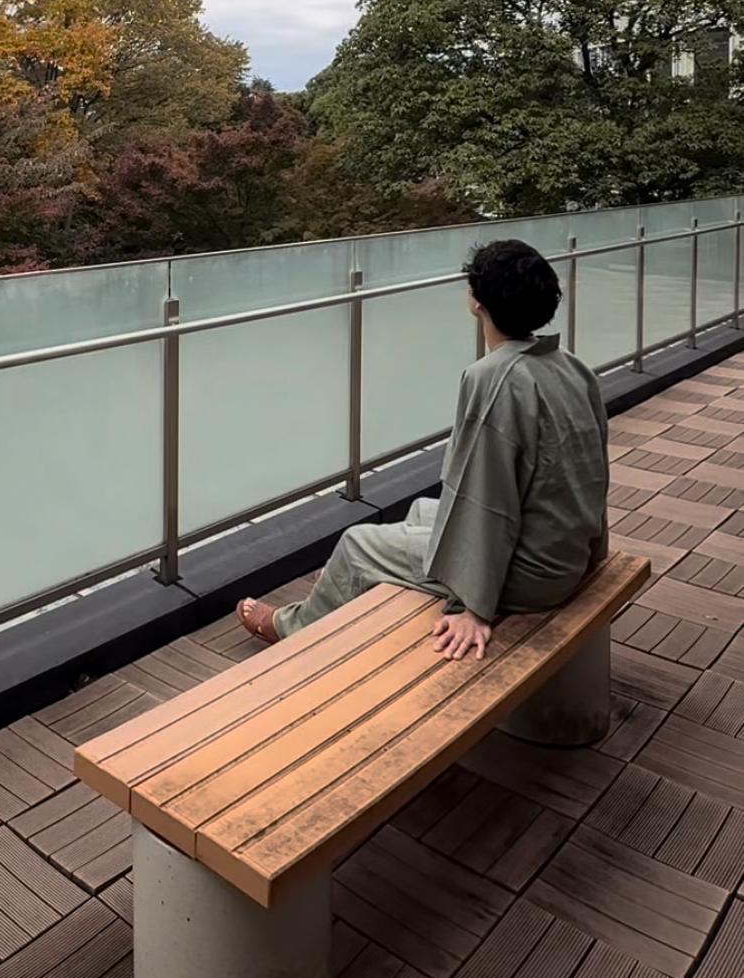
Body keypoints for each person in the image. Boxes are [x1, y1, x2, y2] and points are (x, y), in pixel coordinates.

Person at [237, 238, 610, 662]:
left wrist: (475, 608)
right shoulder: (571, 365)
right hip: (566, 553)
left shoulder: (493, 378)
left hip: (531, 575)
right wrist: (592, 555)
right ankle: (349, 580)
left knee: (357, 542)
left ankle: (293, 626)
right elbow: (593, 470)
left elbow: (488, 500)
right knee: (421, 511)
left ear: (477, 301)